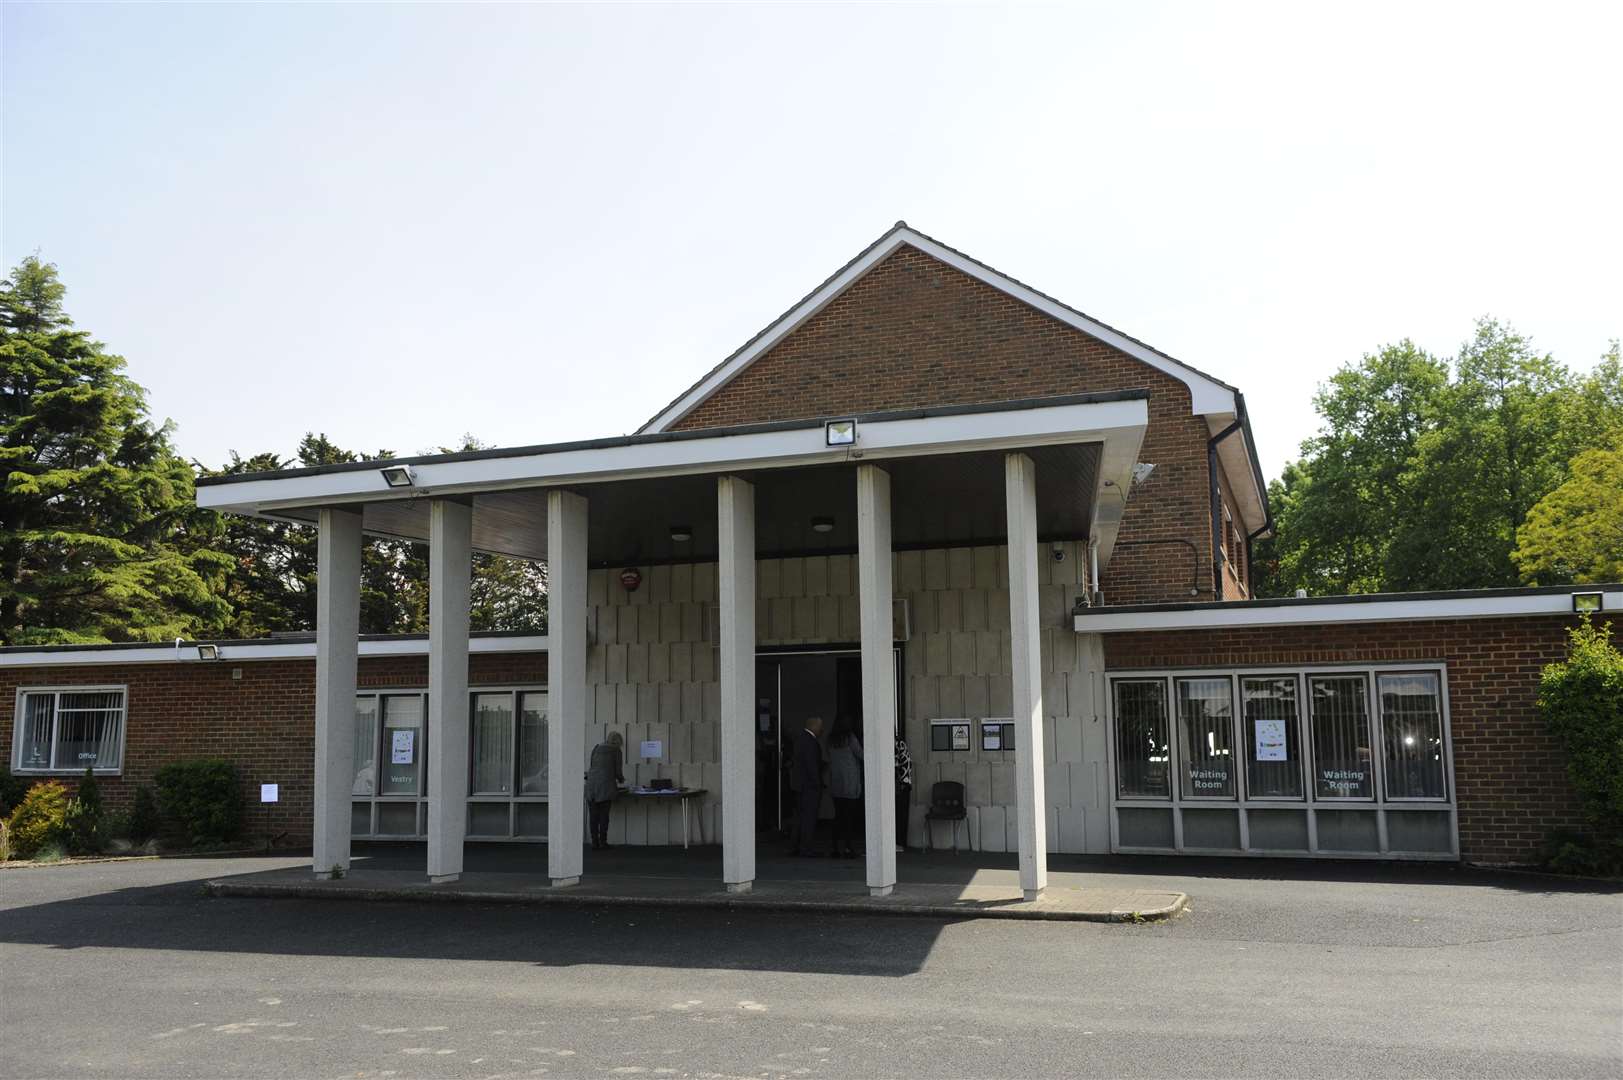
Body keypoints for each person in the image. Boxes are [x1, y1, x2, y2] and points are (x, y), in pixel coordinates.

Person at [827, 716, 864, 859]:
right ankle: (848, 847)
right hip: (850, 781)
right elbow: (861, 755)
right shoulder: (850, 738)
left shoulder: (831, 739)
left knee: (838, 816)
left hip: (836, 782)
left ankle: (835, 847)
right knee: (849, 817)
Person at [789, 716, 825, 856]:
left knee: (799, 817)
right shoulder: (811, 742)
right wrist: (818, 783)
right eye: (820, 726)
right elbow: (811, 766)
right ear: (814, 726)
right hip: (809, 786)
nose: (822, 730)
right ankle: (806, 848)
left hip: (799, 785)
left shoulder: (800, 739)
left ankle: (795, 846)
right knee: (809, 818)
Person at [586, 730, 625, 851]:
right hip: (605, 787)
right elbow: (618, 771)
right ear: (618, 741)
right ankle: (603, 842)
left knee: (593, 816)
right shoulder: (616, 751)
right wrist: (621, 779)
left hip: (591, 786)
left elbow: (592, 766)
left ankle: (594, 842)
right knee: (604, 816)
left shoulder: (596, 748)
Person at [894, 729, 914, 853]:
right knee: (902, 814)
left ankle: (898, 842)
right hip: (905, 782)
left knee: (898, 814)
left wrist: (895, 784)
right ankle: (900, 842)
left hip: (899, 784)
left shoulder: (894, 743)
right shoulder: (899, 741)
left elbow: (894, 765)